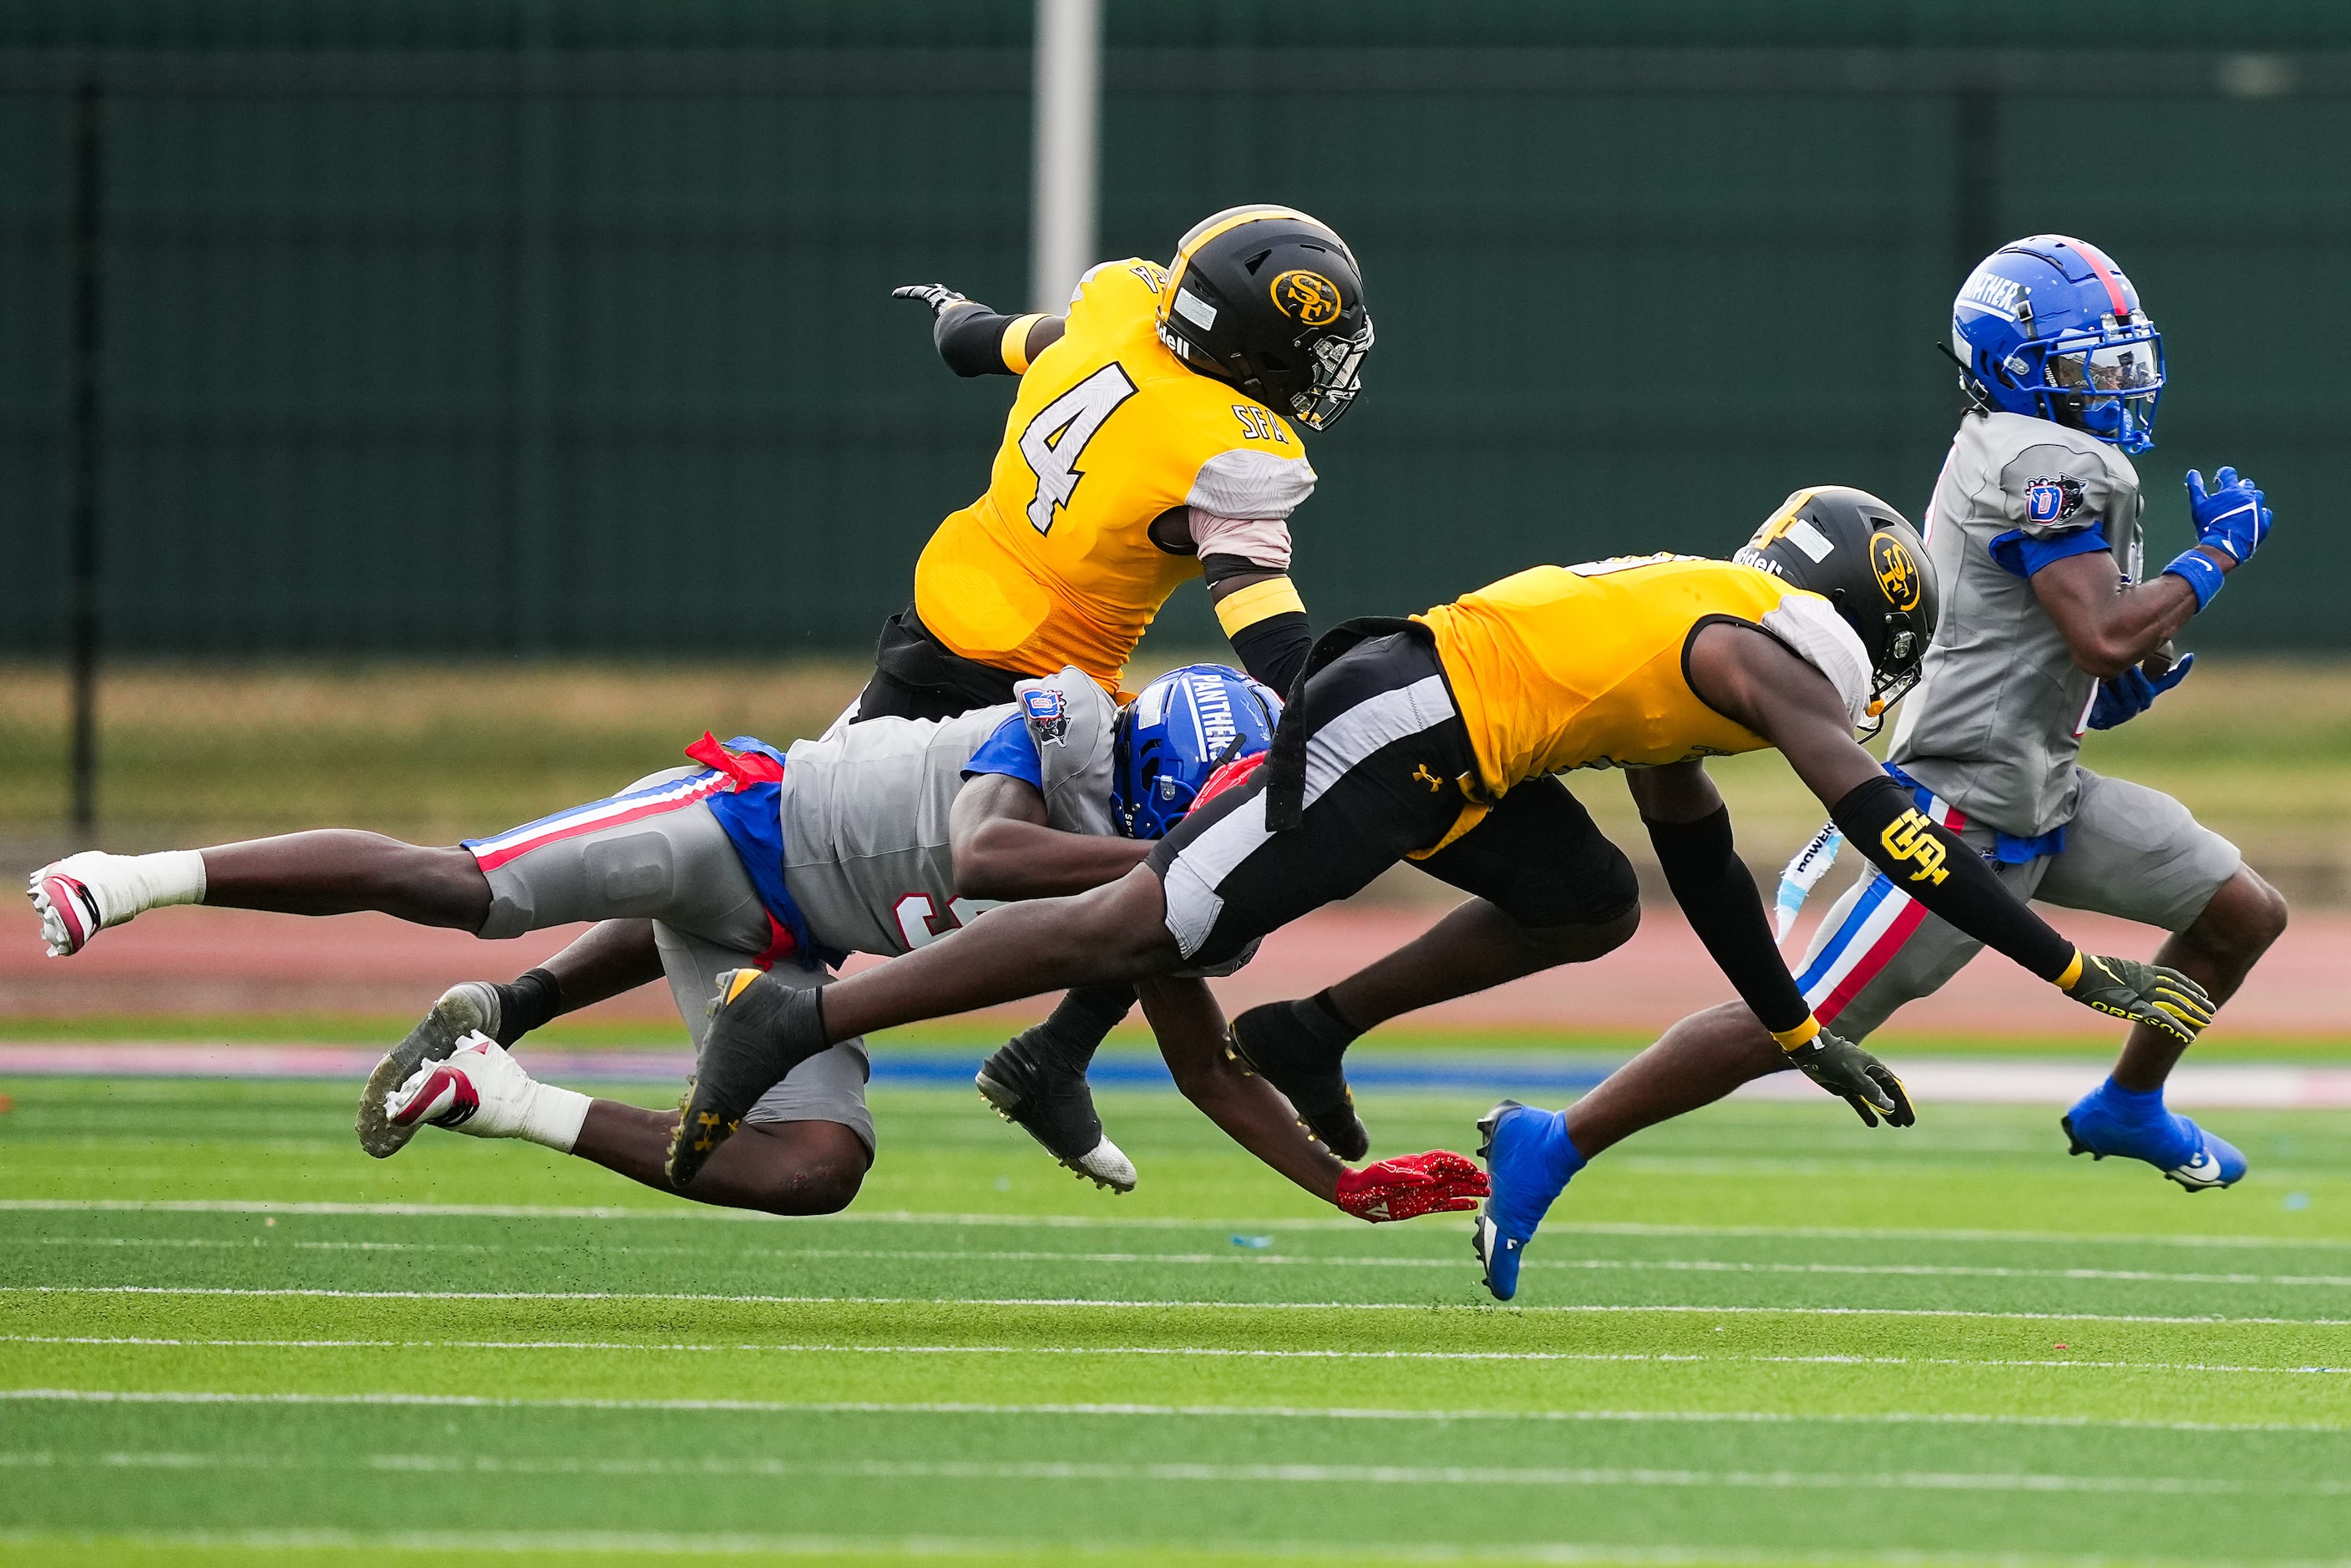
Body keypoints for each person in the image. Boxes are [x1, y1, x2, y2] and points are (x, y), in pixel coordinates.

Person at [655, 488, 2215, 1308]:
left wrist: (1796, 1017)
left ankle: (1310, 1023)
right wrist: (2072, 971)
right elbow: (1901, 832)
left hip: (1450, 736)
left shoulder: (1722, 629)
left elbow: (1691, 862)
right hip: (1398, 720)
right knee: (1140, 923)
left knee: (1586, 898)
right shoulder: (1765, 655)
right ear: (1869, 623)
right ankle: (809, 1006)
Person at [377, 205, 1379, 1179]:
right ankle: (530, 1011)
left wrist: (954, 319)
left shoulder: (1120, 304)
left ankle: (1052, 1060)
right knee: (831, 881)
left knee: (778, 868)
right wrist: (1326, 714)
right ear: (1247, 342)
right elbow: (1256, 603)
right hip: (1023, 680)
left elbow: (995, 343)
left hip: (939, 629)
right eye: (1312, 345)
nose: (1330, 369)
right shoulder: (1236, 445)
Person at [1449, 236, 2286, 1262]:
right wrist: (2217, 556)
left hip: (2044, 789)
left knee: (2240, 910)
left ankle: (2128, 1102)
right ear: (2018, 365)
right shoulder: (2044, 461)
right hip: (1959, 810)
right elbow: (2099, 631)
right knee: (1791, 1023)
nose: (2113, 384)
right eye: (2087, 363)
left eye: (2120, 360)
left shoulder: (2039, 450)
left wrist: (2115, 688)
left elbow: (2074, 663)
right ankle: (1555, 1142)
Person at [28, 665, 1484, 1224]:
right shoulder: (1062, 725)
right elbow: (984, 852)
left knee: (818, 1172)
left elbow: (1217, 1069)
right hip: (736, 830)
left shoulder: (1151, 894)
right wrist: (1166, 860)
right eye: (1195, 818)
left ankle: (489, 1091)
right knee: (456, 882)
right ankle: (142, 872)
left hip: (784, 963)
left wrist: (1340, 1184)